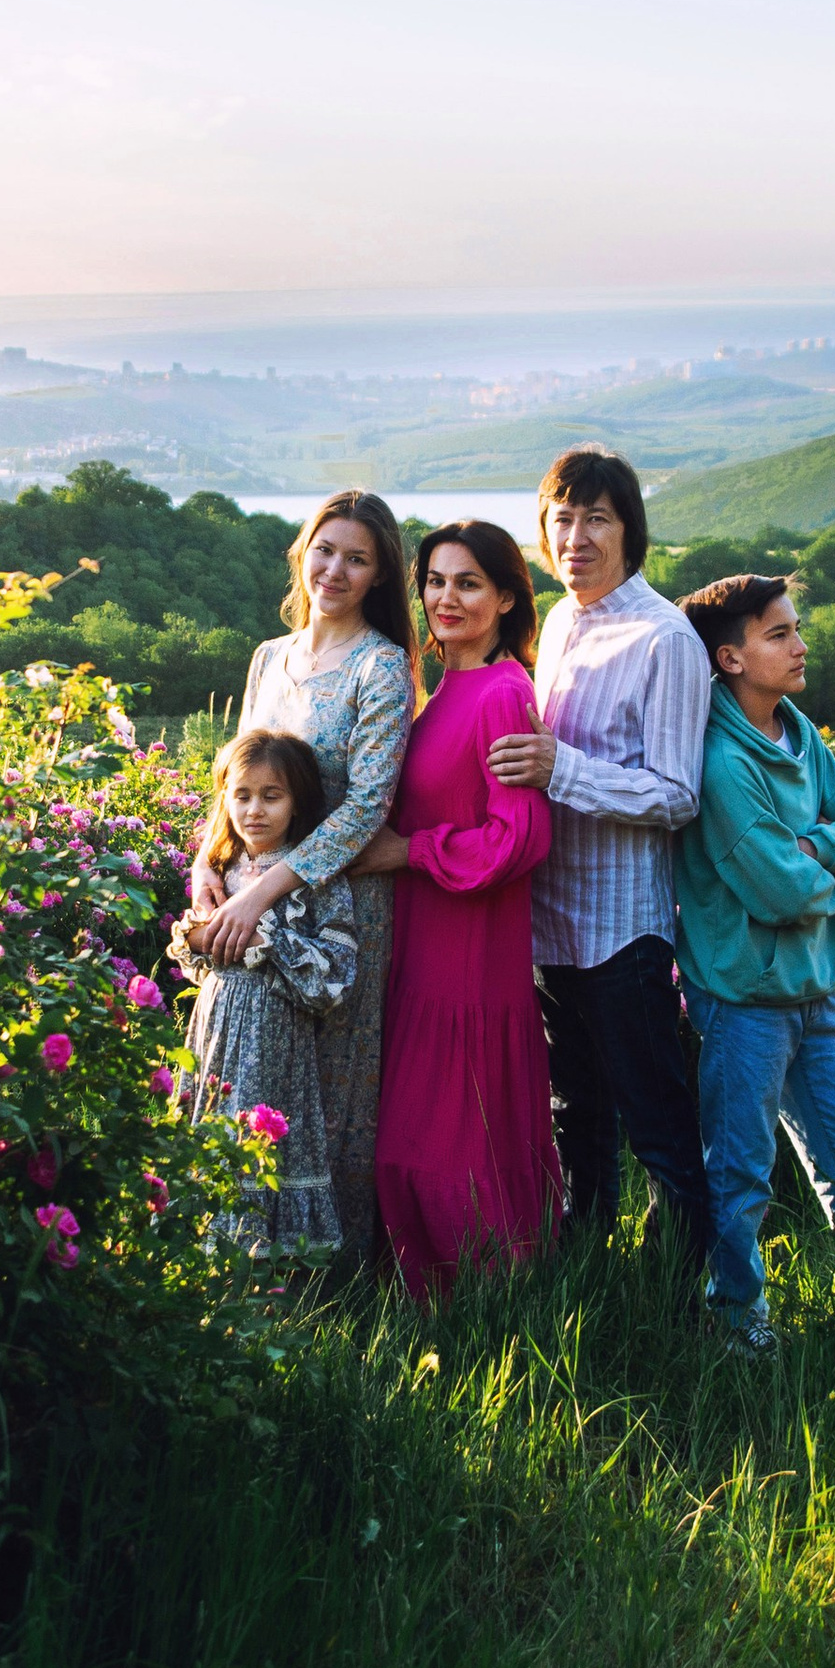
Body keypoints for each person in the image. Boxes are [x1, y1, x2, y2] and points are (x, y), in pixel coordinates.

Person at [488, 446, 714, 1271]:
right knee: (573, 1112)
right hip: (551, 922)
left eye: (596, 518)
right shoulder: (558, 625)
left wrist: (562, 770)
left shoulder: (665, 639)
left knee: (655, 1122)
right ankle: (590, 1270)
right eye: (561, 518)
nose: (575, 535)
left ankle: (689, 1300)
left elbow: (676, 795)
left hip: (623, 930)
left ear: (629, 530)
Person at [192, 488, 417, 1260]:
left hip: (336, 907)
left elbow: (365, 809)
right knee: (251, 1072)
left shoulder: (383, 668)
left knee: (330, 1089)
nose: (336, 569)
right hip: (249, 894)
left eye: (358, 559)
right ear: (303, 550)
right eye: (327, 550)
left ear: (380, 575)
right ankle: (241, 1247)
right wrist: (207, 867)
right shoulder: (269, 657)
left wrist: (263, 891)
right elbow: (234, 776)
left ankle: (337, 1272)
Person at [674, 572, 835, 1343]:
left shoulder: (797, 730)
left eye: (796, 629)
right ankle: (739, 1328)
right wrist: (827, 871)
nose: (801, 646)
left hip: (818, 990)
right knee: (740, 1176)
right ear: (730, 658)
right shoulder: (721, 760)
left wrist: (820, 853)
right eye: (779, 635)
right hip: (743, 1001)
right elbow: (781, 891)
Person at [358, 520, 560, 1296]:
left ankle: (484, 1302)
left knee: (446, 1145)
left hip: (470, 957)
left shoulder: (504, 694)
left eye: (469, 583)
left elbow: (520, 839)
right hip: (421, 947)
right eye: (436, 581)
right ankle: (429, 1297)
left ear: (507, 597)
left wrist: (409, 852)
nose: (447, 597)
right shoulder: (443, 688)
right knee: (414, 1139)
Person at [169, 728, 360, 1250]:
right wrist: (200, 933)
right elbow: (194, 958)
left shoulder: (316, 879)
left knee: (258, 1135)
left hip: (275, 1037)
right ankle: (204, 1254)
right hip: (216, 1026)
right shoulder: (220, 872)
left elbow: (335, 975)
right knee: (213, 1126)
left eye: (272, 796)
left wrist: (268, 938)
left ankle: (262, 1263)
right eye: (243, 795)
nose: (255, 810)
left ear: (297, 804)